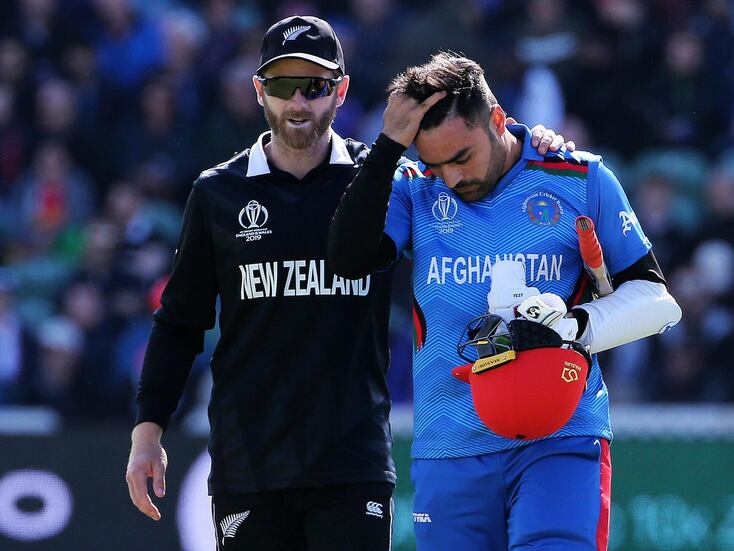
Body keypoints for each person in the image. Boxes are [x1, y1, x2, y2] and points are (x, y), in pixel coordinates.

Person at [124, 16, 572, 550]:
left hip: (352, 466)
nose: (298, 103)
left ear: (341, 90)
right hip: (250, 466)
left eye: (313, 86)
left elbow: (477, 185)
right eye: (283, 85)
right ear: (258, 91)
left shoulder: (389, 179)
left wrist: (534, 145)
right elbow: (180, 322)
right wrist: (148, 429)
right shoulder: (218, 193)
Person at [328, 52, 682, 550]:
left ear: (497, 120)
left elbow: (657, 299)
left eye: (462, 157)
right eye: (435, 162)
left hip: (560, 438)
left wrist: (571, 327)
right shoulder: (414, 190)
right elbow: (347, 259)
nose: (450, 177)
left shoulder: (580, 179)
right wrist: (388, 149)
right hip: (447, 444)